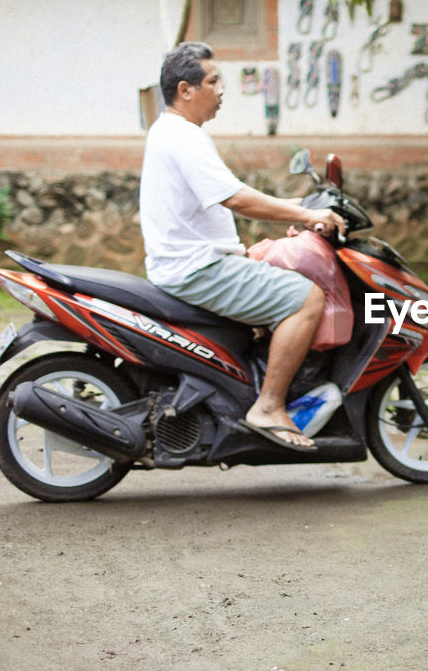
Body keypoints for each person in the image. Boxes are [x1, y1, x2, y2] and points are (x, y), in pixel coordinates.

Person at [140, 41, 345, 450]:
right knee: (306, 298)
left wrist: (301, 207)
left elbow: (233, 192)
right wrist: (305, 216)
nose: (221, 91)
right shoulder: (184, 137)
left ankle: (252, 390)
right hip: (199, 268)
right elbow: (237, 199)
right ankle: (268, 406)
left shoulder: (171, 131)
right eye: (214, 82)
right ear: (186, 90)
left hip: (189, 262)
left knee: (270, 273)